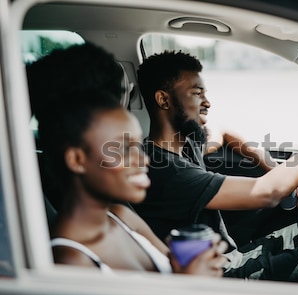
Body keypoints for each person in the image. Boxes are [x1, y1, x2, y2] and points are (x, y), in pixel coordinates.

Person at [133, 50, 298, 284]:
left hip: (234, 256)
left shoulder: (186, 142)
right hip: (224, 277)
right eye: (197, 93)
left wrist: (271, 164)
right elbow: (268, 191)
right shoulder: (163, 169)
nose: (207, 102)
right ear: (163, 99)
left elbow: (224, 132)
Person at [26, 43, 227, 276]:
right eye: (122, 149)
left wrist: (195, 268)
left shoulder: (121, 216)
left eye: (138, 145)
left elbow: (176, 279)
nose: (144, 160)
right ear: (77, 159)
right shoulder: (70, 260)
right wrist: (195, 284)